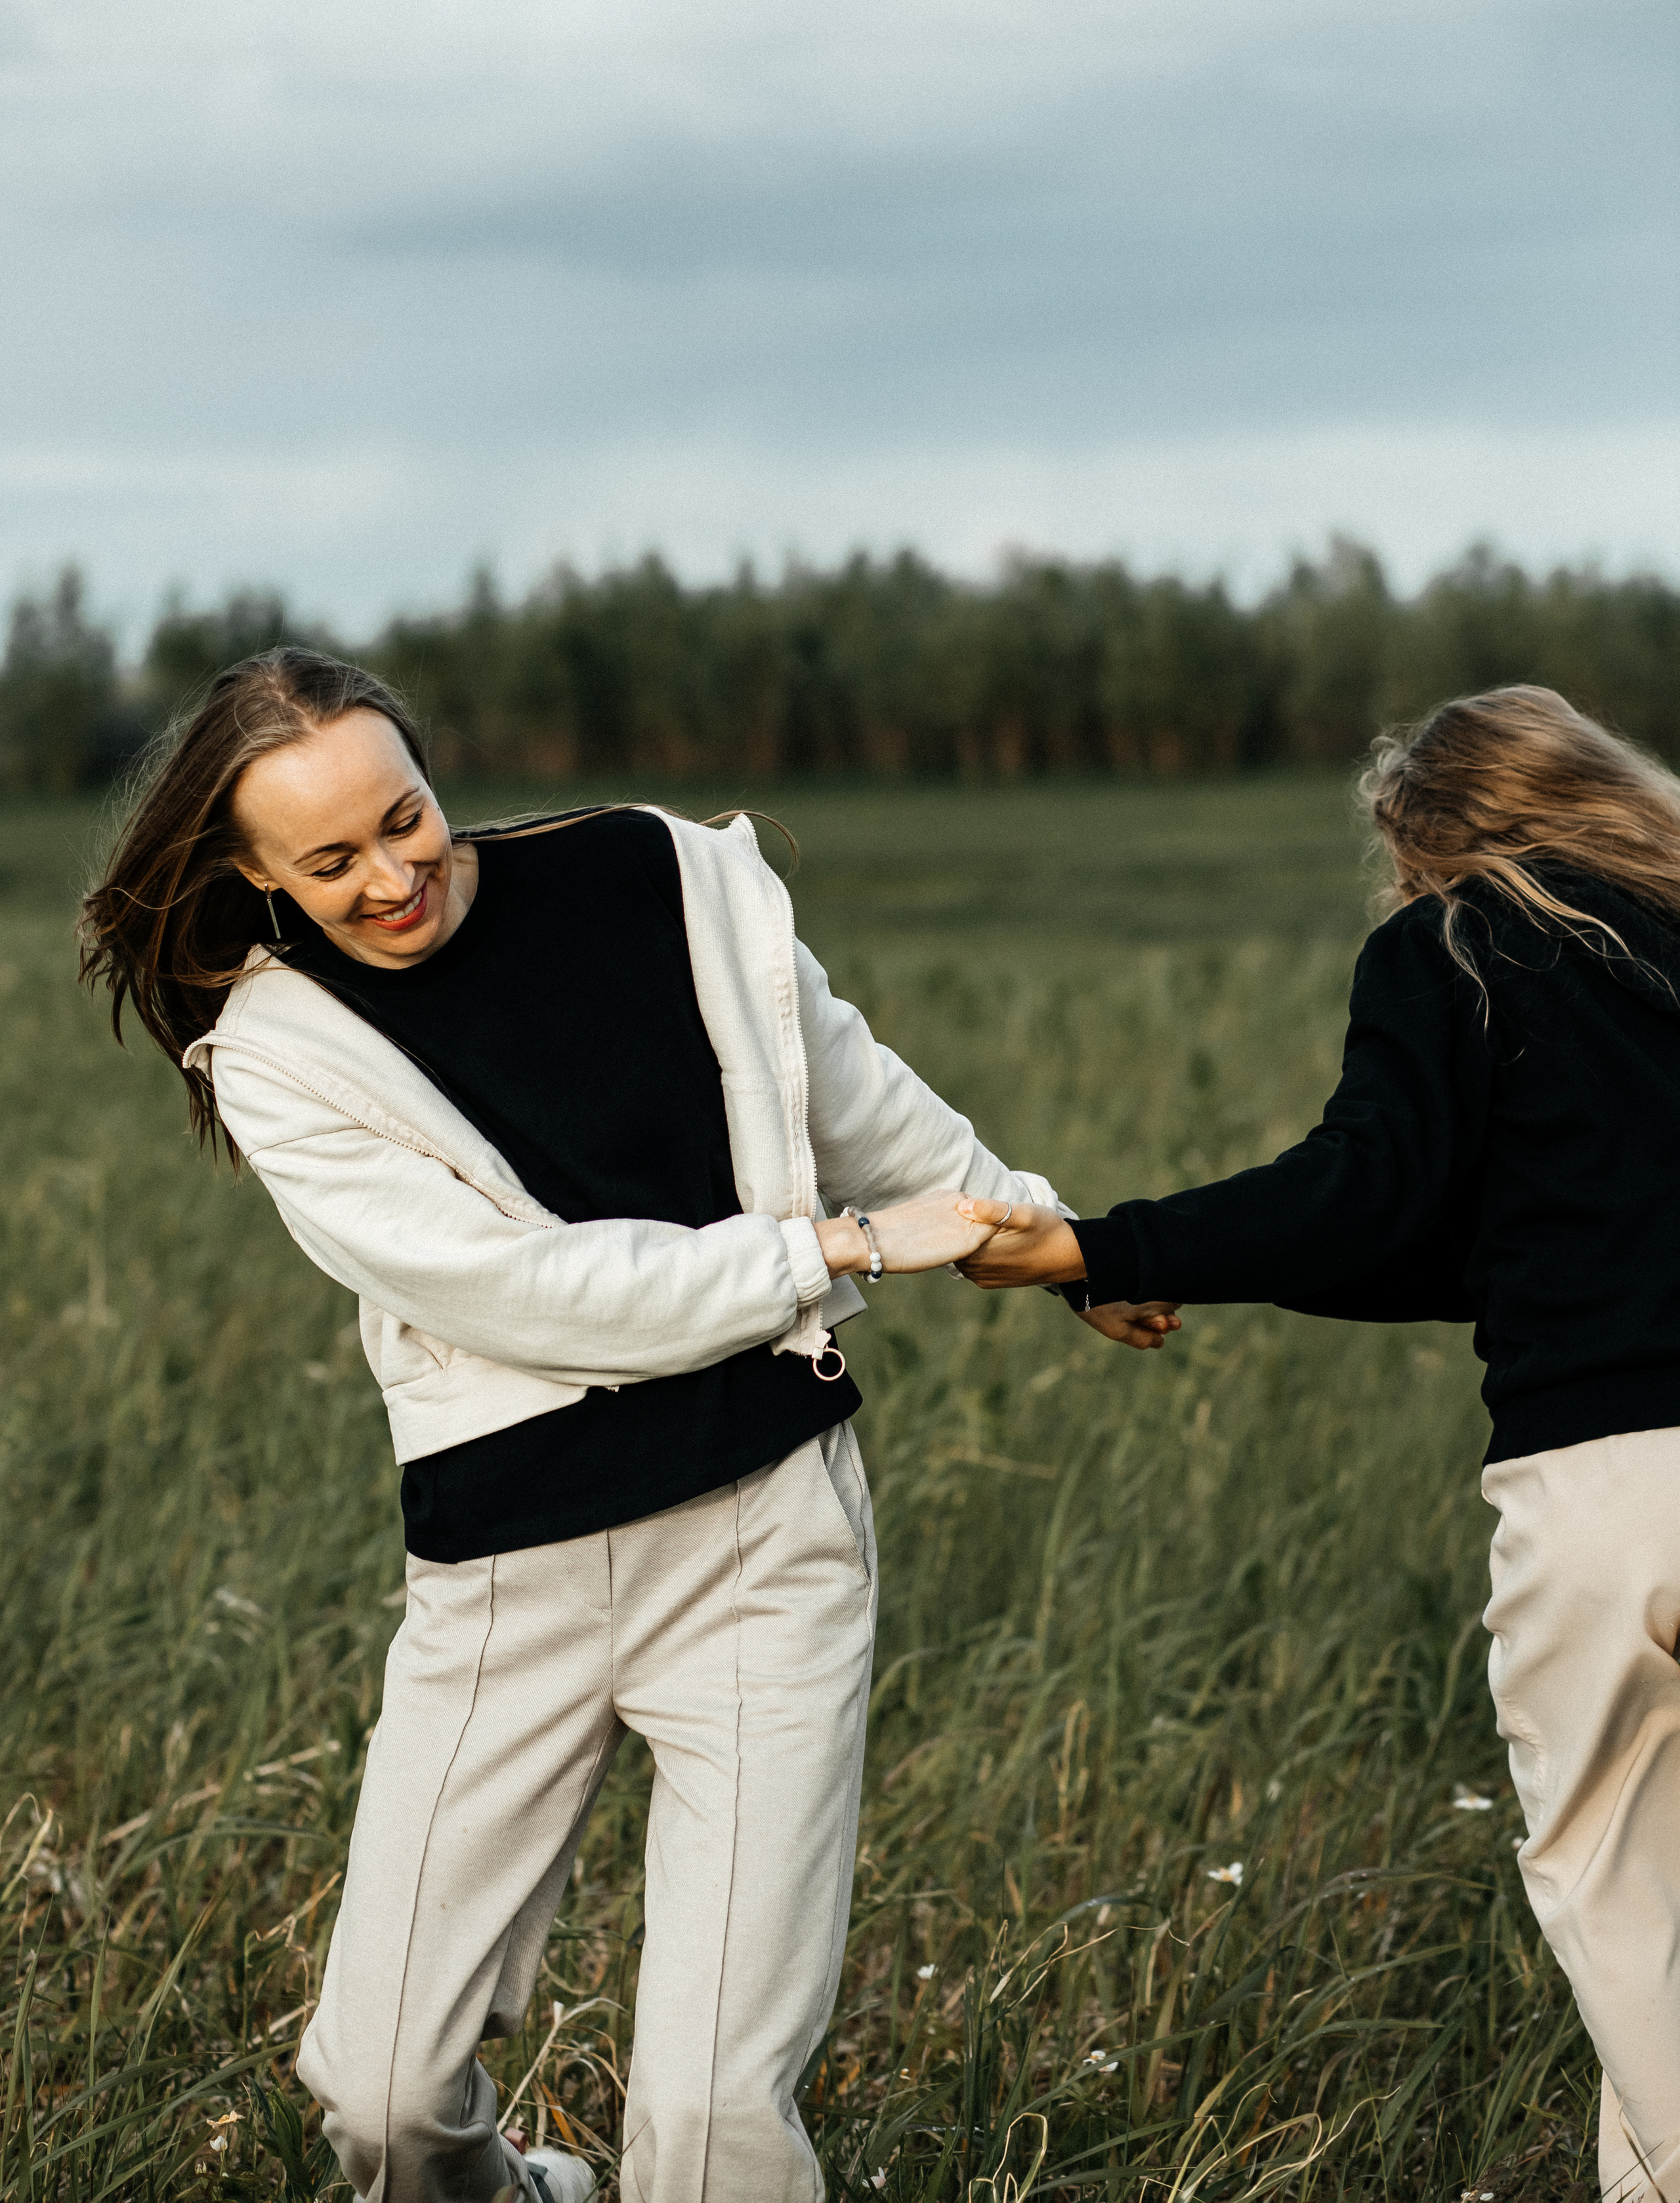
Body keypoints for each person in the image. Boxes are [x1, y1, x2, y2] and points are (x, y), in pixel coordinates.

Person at [79, 646, 1137, 2203]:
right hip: (512, 1582)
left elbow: (852, 1098)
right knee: (379, 2097)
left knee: (716, 2126)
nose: (392, 875)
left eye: (406, 818)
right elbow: (529, 1292)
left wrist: (1056, 1245)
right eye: (332, 860)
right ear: (254, 877)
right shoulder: (280, 1059)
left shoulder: (662, 876)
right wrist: (825, 1251)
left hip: (763, 1537)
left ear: (436, 780)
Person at [959, 685, 1680, 2203]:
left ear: (1425, 844)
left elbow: (1359, 1198)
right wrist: (1165, 1260)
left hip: (1617, 1491)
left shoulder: (1456, 946)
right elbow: (1459, 1250)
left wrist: (1098, 1245)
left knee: (1620, 1894)